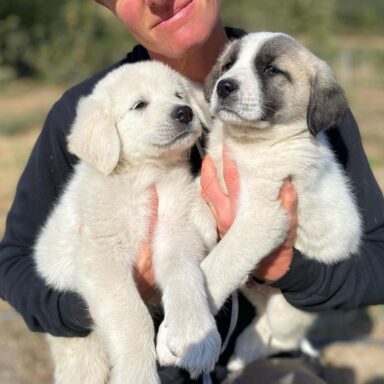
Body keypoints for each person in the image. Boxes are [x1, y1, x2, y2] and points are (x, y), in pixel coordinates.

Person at [0, 0, 383, 382]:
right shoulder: (89, 109)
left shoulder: (302, 90)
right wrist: (102, 301)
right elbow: (14, 265)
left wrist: (285, 270)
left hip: (258, 361)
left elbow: (375, 263)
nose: (159, 0)